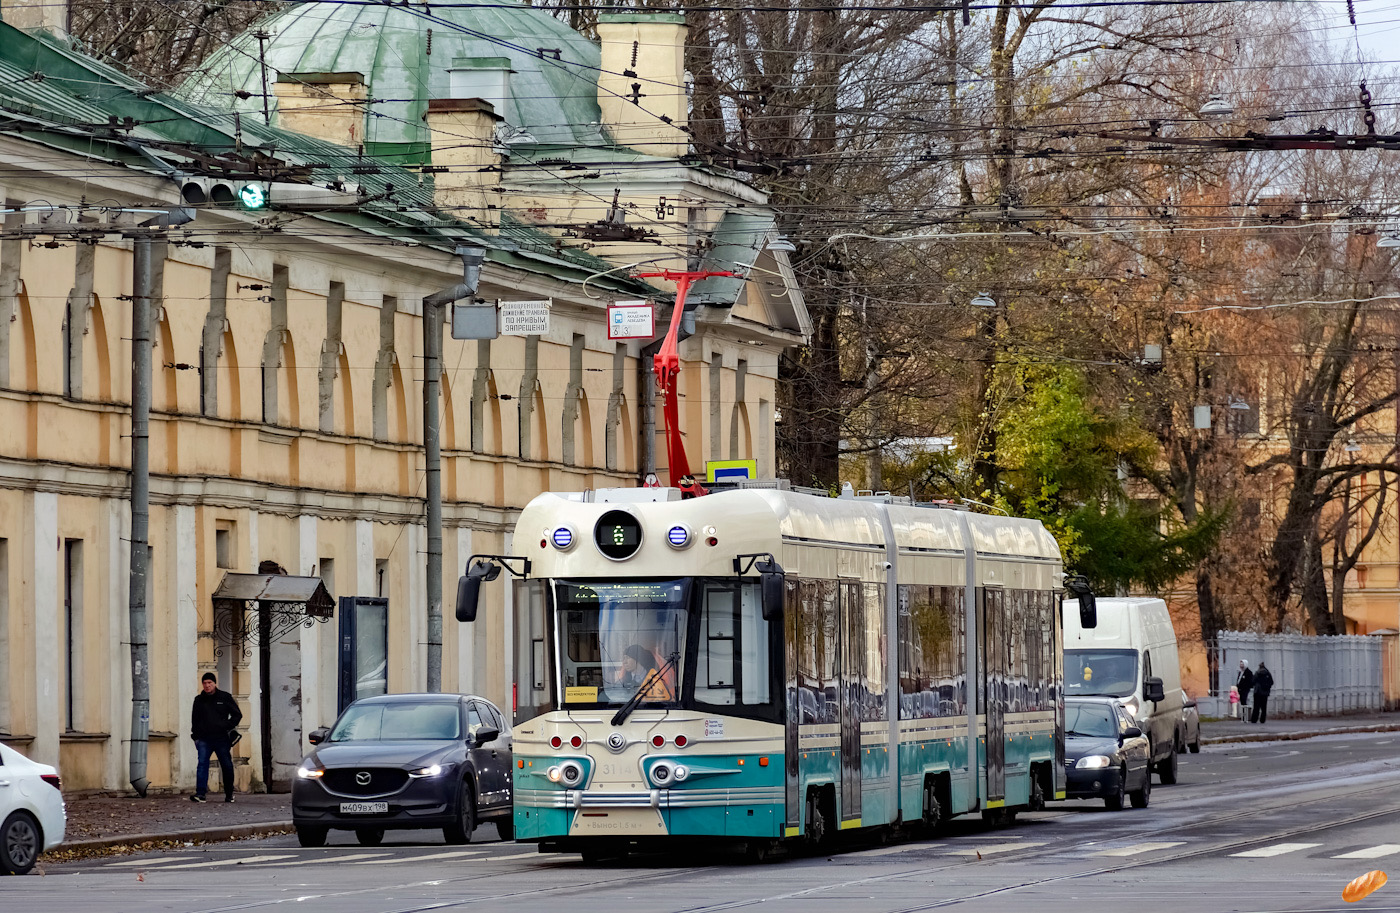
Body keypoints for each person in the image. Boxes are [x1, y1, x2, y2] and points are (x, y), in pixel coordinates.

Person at [190, 672, 242, 803]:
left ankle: (229, 794)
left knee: (226, 765)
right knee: (202, 765)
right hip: (204, 738)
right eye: (204, 683)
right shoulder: (199, 700)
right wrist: (195, 737)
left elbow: (237, 715)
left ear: (214, 683)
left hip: (221, 738)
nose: (207, 686)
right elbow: (194, 719)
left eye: (209, 683)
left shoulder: (224, 697)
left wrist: (226, 725)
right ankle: (200, 794)